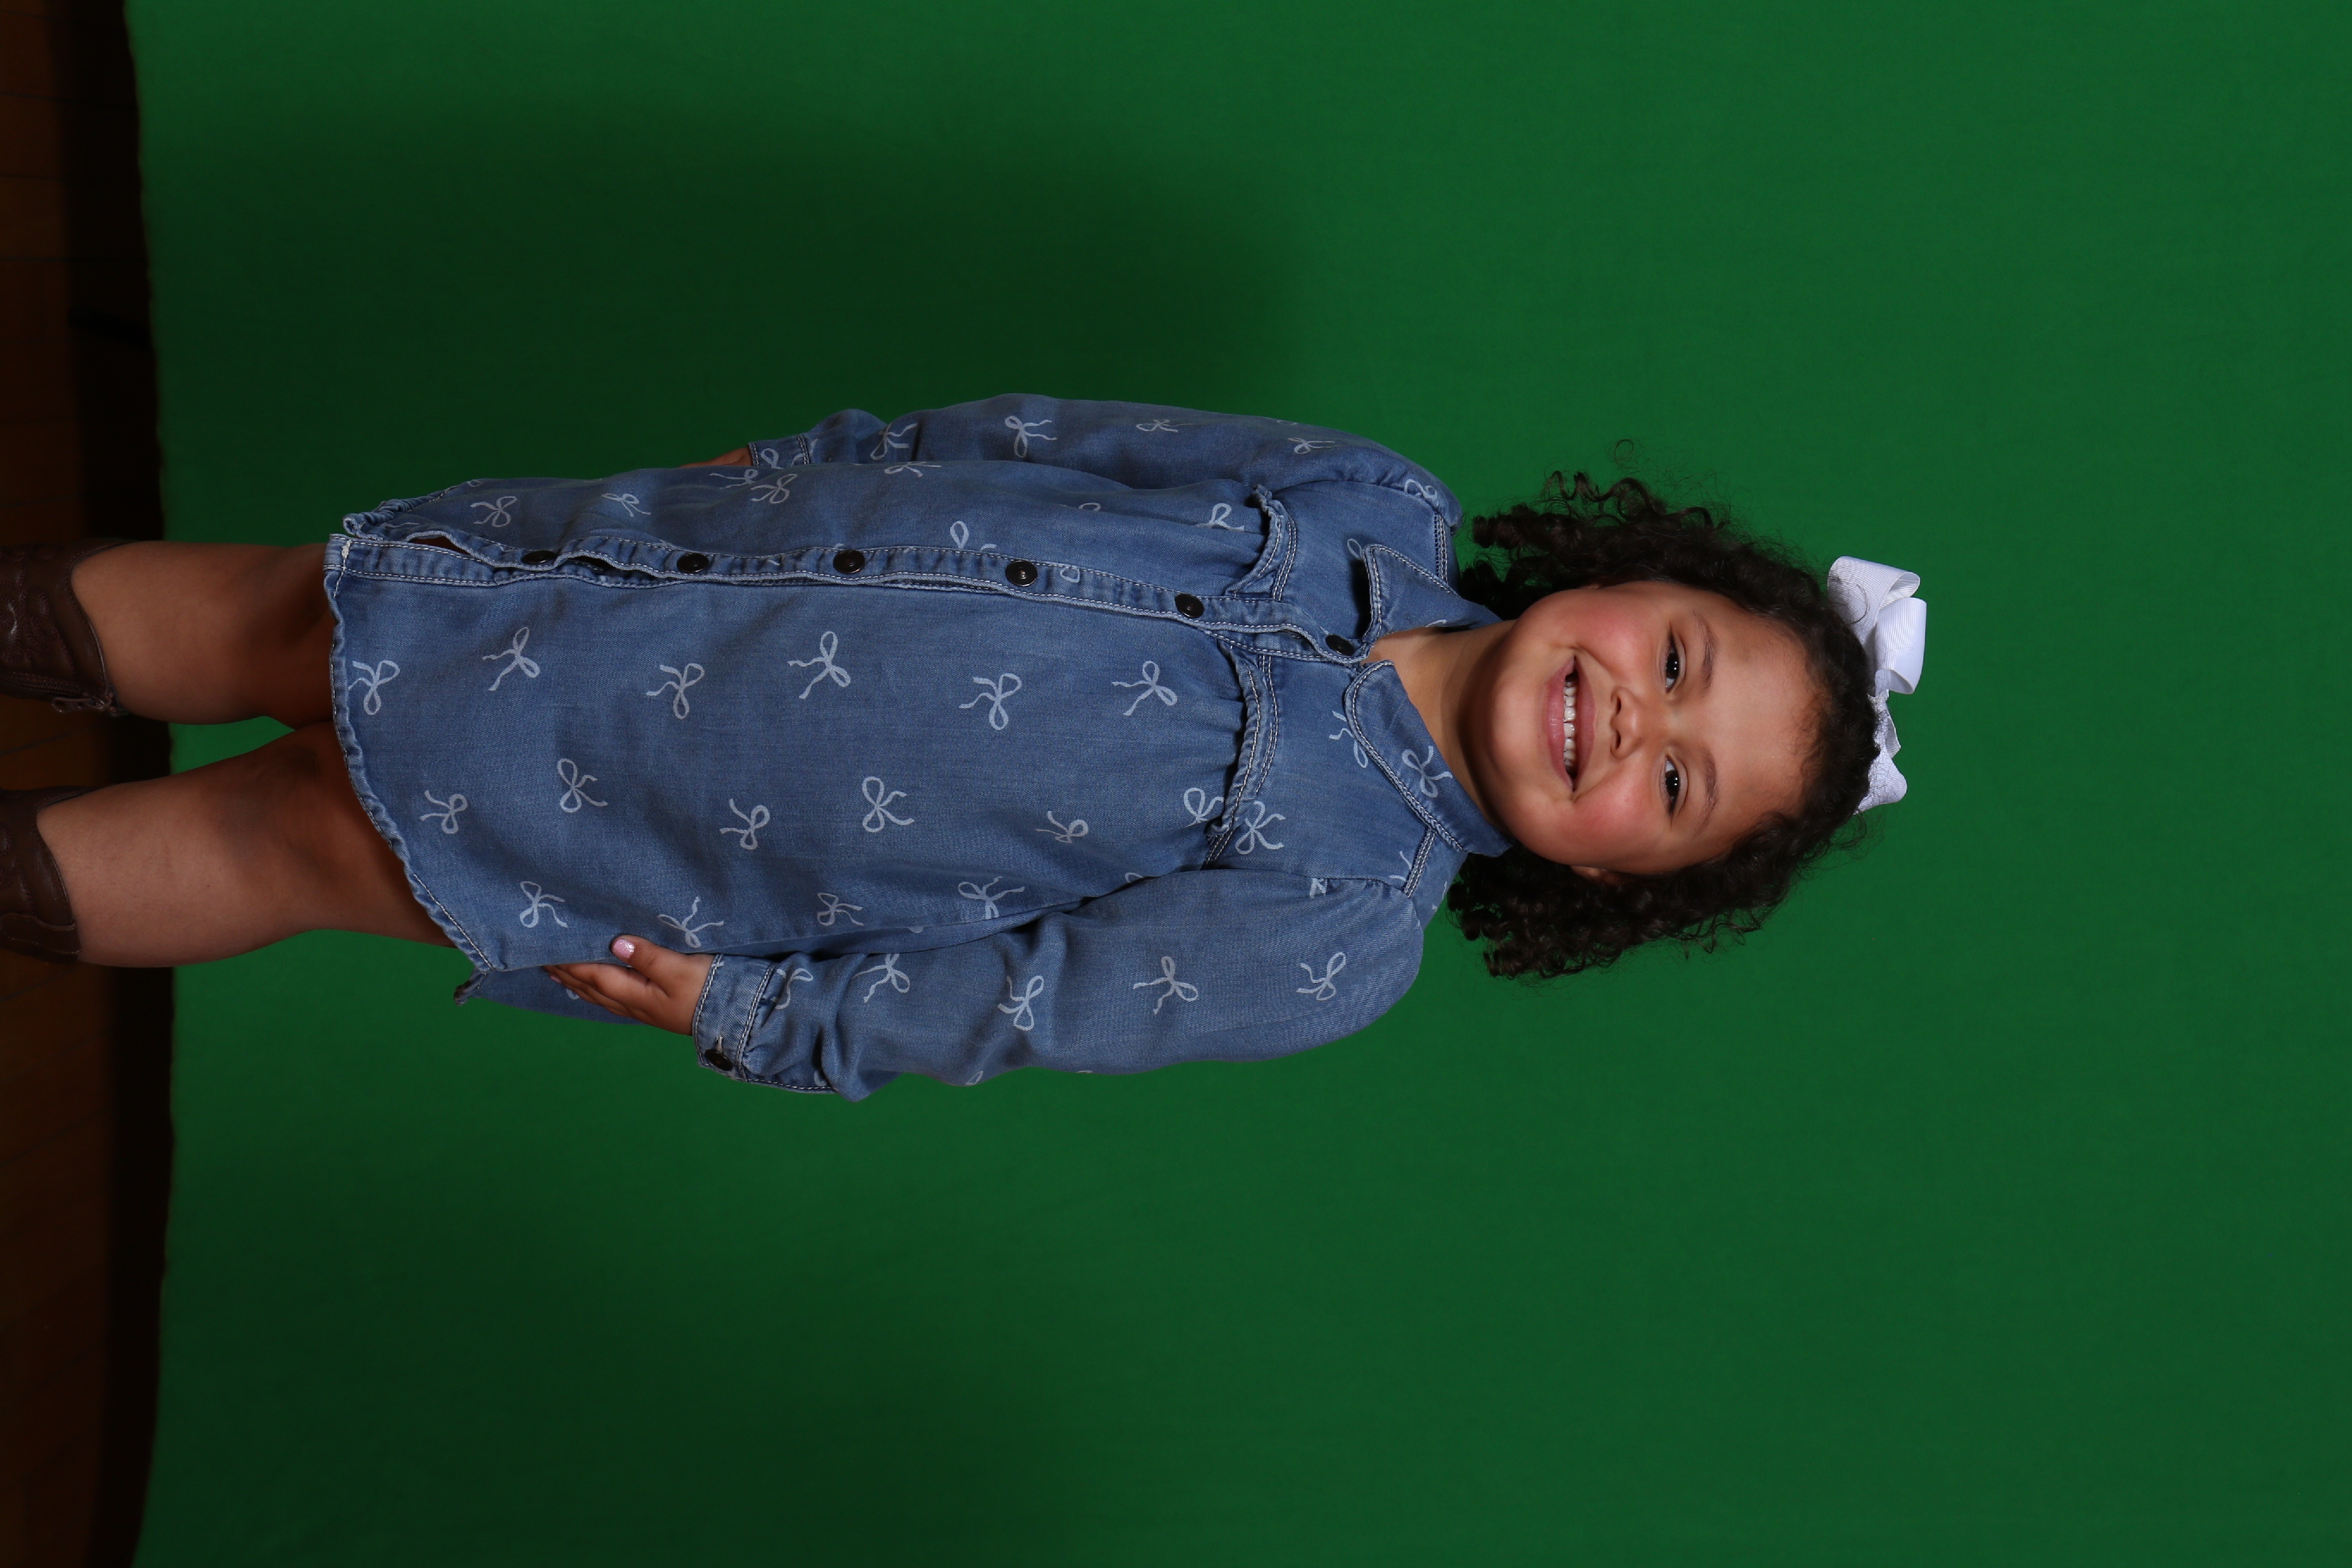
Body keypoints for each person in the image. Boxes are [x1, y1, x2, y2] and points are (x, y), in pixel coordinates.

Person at [0, 396, 1924, 1099]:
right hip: (675, 575)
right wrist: (821, 459)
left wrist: (766, 1019)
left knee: (293, 835)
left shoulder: (1338, 930)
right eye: (1680, 659)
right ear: (1634, 578)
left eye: (1677, 784)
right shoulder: (1364, 496)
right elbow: (1056, 439)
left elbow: (1021, 1004)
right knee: (285, 607)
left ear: (1612, 876)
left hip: (668, 829)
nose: (1637, 718)